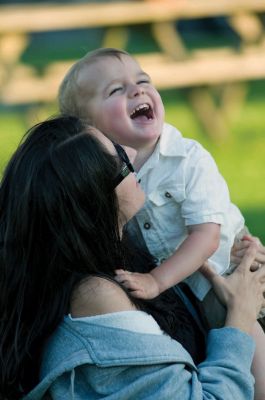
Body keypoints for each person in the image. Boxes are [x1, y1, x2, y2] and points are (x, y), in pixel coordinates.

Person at [0, 115, 265, 400]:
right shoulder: (98, 299)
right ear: (95, 201)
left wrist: (235, 254)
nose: (134, 153)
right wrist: (240, 318)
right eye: (121, 161)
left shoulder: (120, 247)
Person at [58, 47, 265, 399]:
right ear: (87, 129)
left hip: (220, 271)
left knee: (246, 339)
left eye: (142, 81)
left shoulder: (187, 159)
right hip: (177, 291)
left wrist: (156, 281)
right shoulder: (102, 179)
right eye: (116, 90)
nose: (137, 91)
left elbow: (208, 236)